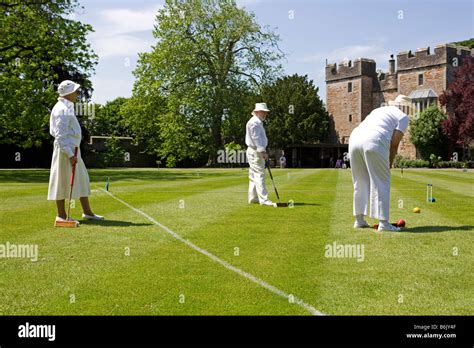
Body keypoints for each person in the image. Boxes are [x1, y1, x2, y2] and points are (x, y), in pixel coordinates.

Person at [348, 95, 410, 232]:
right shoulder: (403, 117)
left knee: (360, 181)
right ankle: (384, 224)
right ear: (406, 108)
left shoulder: (378, 110)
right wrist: (389, 163)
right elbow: (394, 144)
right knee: (382, 181)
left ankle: (359, 220)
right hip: (374, 139)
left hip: (354, 139)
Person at [48, 80, 104, 225]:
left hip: (72, 150)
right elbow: (60, 136)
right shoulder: (62, 109)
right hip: (65, 151)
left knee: (82, 179)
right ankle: (61, 215)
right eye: (76, 91)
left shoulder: (66, 107)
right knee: (61, 180)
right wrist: (70, 154)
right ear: (68, 93)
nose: (78, 94)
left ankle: (87, 212)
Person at [245, 103, 276, 207]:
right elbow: (256, 138)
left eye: (265, 112)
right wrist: (263, 152)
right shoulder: (254, 123)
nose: (265, 114)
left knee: (254, 175)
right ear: (257, 112)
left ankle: (253, 198)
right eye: (263, 112)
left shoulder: (258, 122)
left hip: (255, 151)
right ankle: (264, 199)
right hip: (256, 152)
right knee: (259, 174)